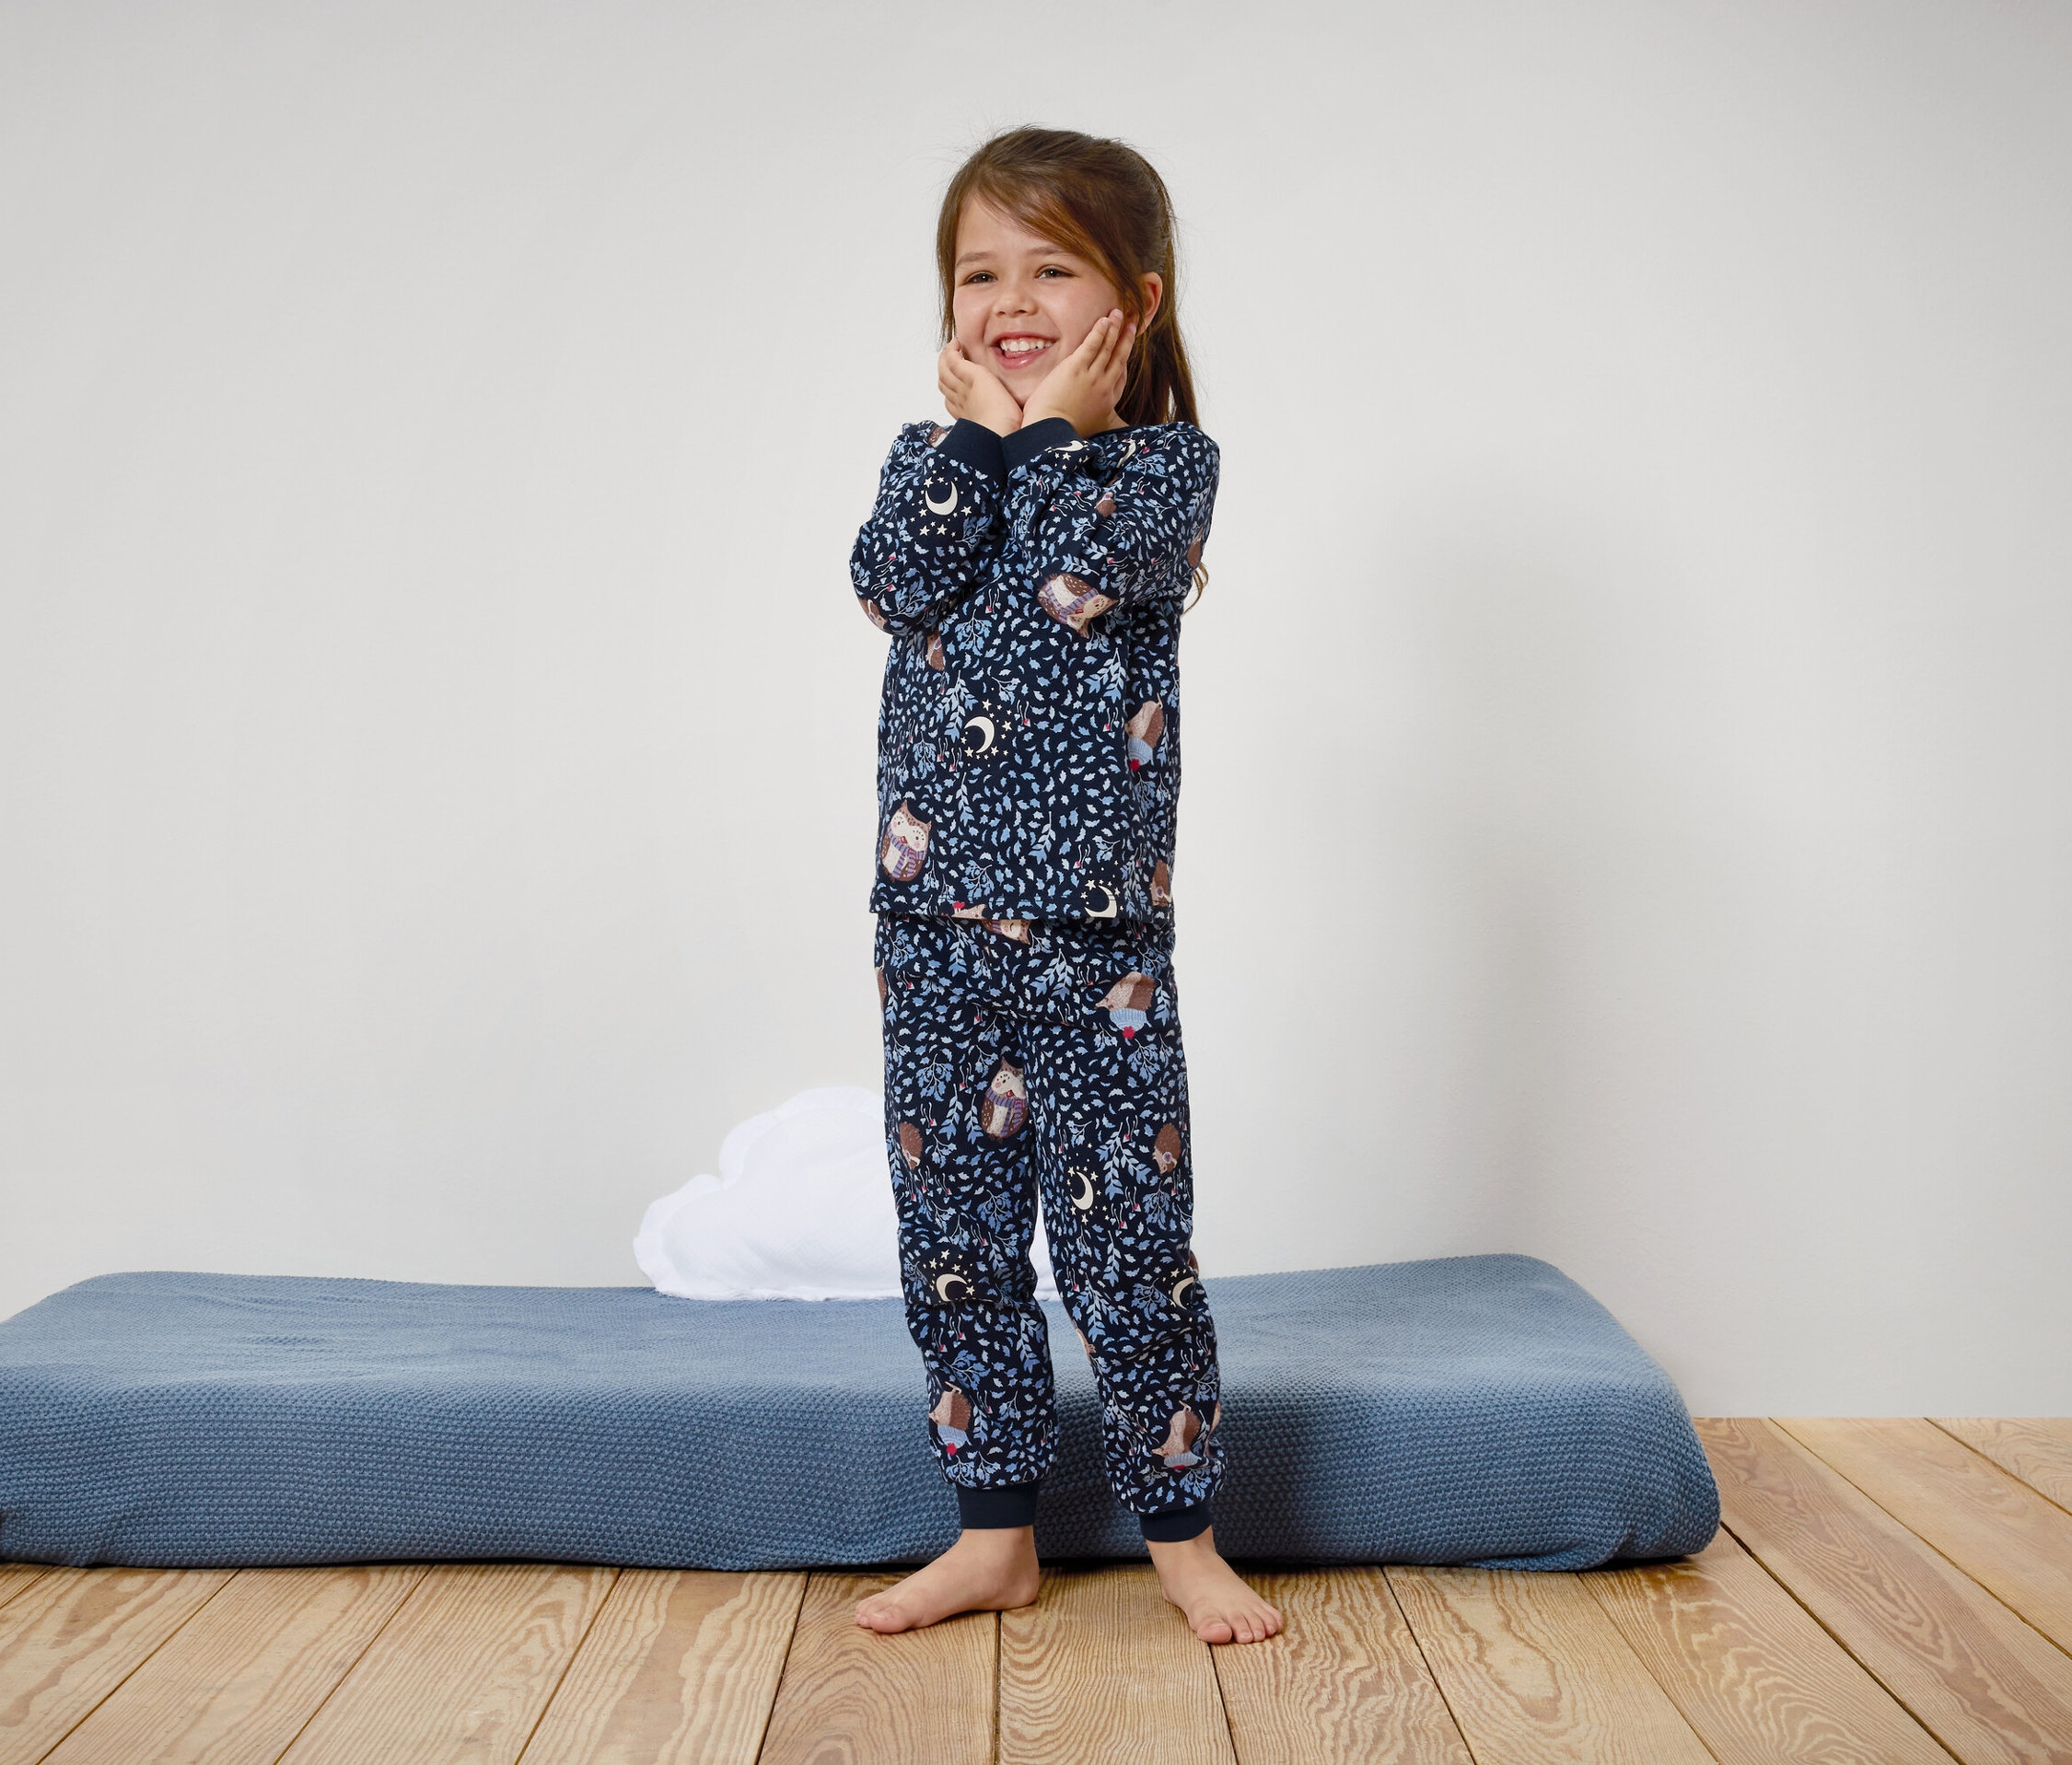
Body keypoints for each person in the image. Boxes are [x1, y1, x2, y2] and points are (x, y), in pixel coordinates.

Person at [848, 126, 1282, 1647]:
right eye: (980, 272)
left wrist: (1044, 435)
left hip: (1093, 939)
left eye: (1051, 266)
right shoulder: (932, 462)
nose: (1009, 297)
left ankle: (1181, 1533)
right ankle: (993, 1534)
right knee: (955, 1233)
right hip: (935, 926)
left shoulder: (1157, 474)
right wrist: (976, 439)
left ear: (1134, 305)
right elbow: (893, 582)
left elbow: (1074, 577)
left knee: (1125, 1239)